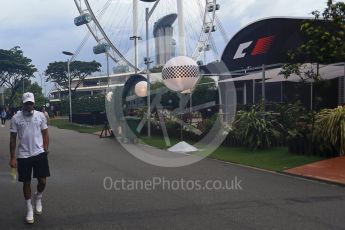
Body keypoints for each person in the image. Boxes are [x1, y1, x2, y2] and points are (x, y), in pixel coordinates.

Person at [9, 92, 49, 224]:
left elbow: (45, 133)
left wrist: (45, 149)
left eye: (31, 103)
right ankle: (29, 208)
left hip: (39, 153)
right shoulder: (16, 118)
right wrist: (13, 157)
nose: (29, 105)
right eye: (26, 103)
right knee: (26, 182)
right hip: (24, 155)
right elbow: (13, 139)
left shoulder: (40, 116)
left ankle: (38, 197)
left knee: (42, 181)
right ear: (23, 104)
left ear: (34, 103)